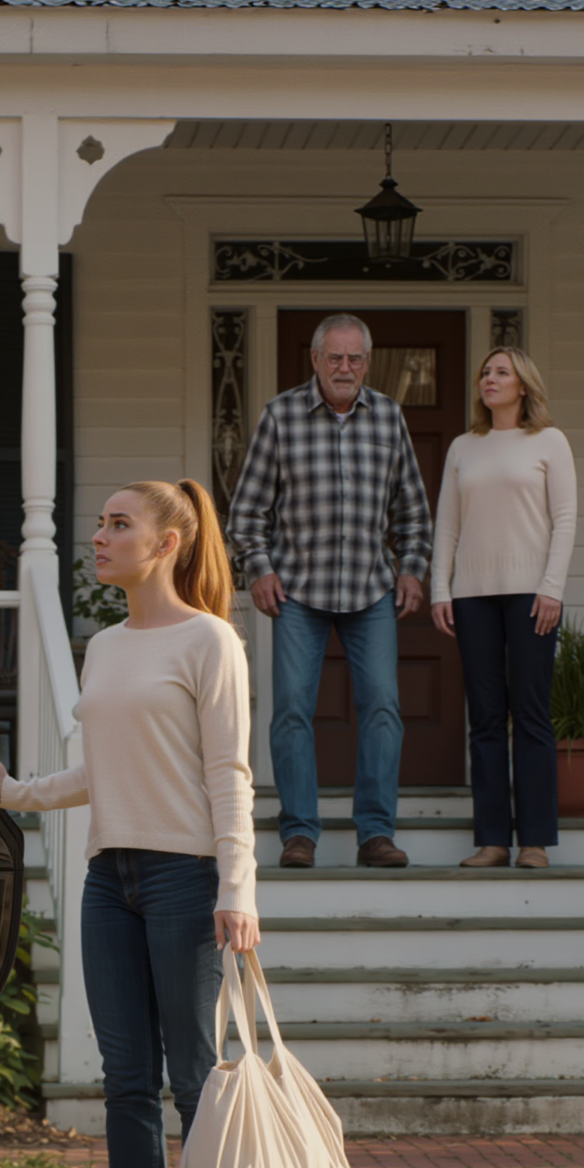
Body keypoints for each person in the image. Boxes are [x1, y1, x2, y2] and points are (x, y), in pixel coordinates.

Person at [0, 479, 258, 1168]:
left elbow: (226, 774)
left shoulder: (211, 643)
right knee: (126, 1086)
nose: (99, 536)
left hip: (186, 880)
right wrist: (17, 791)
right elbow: (106, 769)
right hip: (109, 881)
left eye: (118, 524)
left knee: (195, 1084)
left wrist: (238, 888)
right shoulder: (106, 646)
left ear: (167, 542)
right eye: (98, 523)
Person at [228, 313, 432, 870]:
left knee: (383, 710)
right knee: (291, 710)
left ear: (367, 362)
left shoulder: (388, 417)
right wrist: (260, 570)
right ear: (315, 360)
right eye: (335, 357)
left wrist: (412, 569)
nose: (345, 368)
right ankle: (298, 833)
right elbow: (246, 513)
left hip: (371, 591)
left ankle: (376, 835)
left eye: (356, 358)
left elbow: (412, 510)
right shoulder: (281, 416)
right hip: (297, 593)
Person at [430, 347, 577, 869]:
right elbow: (446, 524)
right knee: (486, 719)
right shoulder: (463, 447)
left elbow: (565, 519)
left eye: (501, 372)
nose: (489, 379)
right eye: (485, 373)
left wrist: (552, 588)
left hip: (532, 594)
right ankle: (492, 840)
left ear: (523, 385)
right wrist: (440, 590)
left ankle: (534, 841)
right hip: (472, 595)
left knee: (531, 715)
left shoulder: (550, 442)